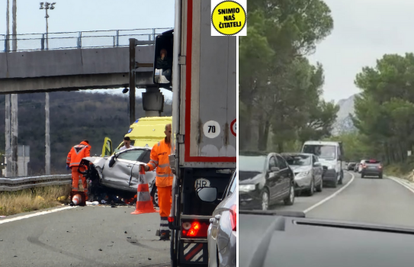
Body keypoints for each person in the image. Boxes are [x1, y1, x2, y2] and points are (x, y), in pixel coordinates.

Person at [141, 124, 173, 240]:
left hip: (176, 183)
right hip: (163, 183)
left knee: (176, 207)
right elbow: (153, 162)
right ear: (165, 132)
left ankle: (173, 230)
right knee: (163, 208)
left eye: (172, 131)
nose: (170, 133)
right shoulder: (158, 146)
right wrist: (146, 167)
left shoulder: (178, 146)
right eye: (169, 131)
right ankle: (164, 232)